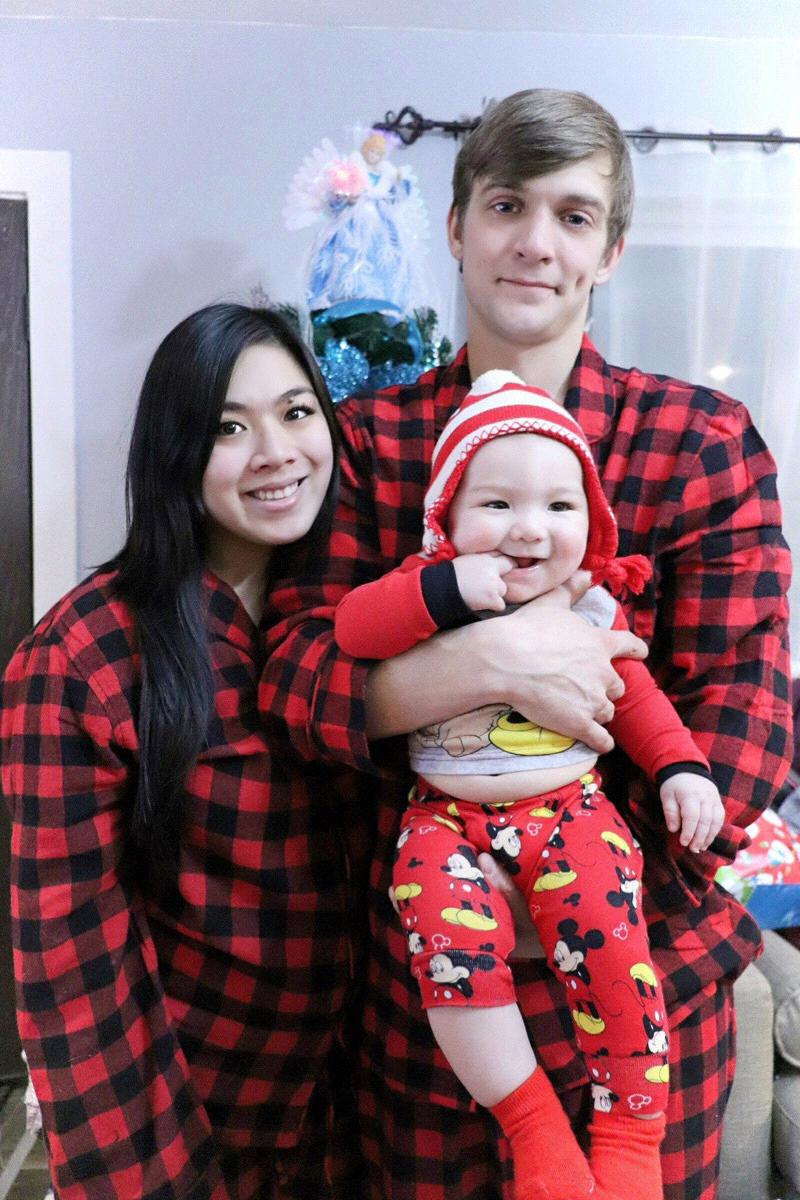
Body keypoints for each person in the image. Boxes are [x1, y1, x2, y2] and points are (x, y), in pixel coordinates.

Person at [262, 88, 793, 1200]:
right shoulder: (368, 444)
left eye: (573, 215)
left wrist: (577, 894)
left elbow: (746, 717)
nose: (535, 243)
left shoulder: (697, 441)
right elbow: (297, 674)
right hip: (428, 1017)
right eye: (506, 205)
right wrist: (486, 665)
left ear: (610, 249)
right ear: (457, 228)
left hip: (645, 987)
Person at [0, 304, 367, 1200]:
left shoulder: (356, 621)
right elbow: (76, 982)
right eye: (228, 428)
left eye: (297, 412)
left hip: (350, 1130)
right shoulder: (84, 657)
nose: (276, 452)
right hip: (189, 1135)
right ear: (175, 452)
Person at [333, 369, 727, 1200]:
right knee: (447, 951)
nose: (529, 528)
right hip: (444, 819)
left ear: (591, 524)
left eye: (559, 506)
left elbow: (636, 697)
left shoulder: (591, 608)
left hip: (571, 811)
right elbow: (354, 629)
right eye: (497, 503)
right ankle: (533, 1125)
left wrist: (681, 767)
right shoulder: (427, 588)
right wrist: (441, 588)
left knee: (614, 941)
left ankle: (630, 1135)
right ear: (447, 518)